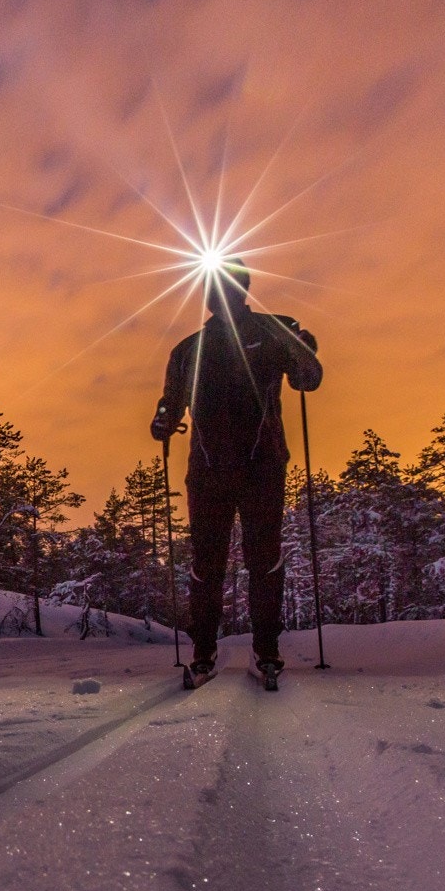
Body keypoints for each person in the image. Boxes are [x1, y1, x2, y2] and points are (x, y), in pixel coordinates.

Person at [150, 259, 322, 689]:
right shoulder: (188, 350)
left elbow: (310, 379)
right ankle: (206, 652)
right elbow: (169, 402)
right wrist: (163, 420)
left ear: (242, 288)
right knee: (210, 564)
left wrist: (304, 349)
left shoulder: (274, 330)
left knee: (260, 560)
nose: (221, 294)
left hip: (260, 467)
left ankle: (264, 651)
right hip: (210, 473)